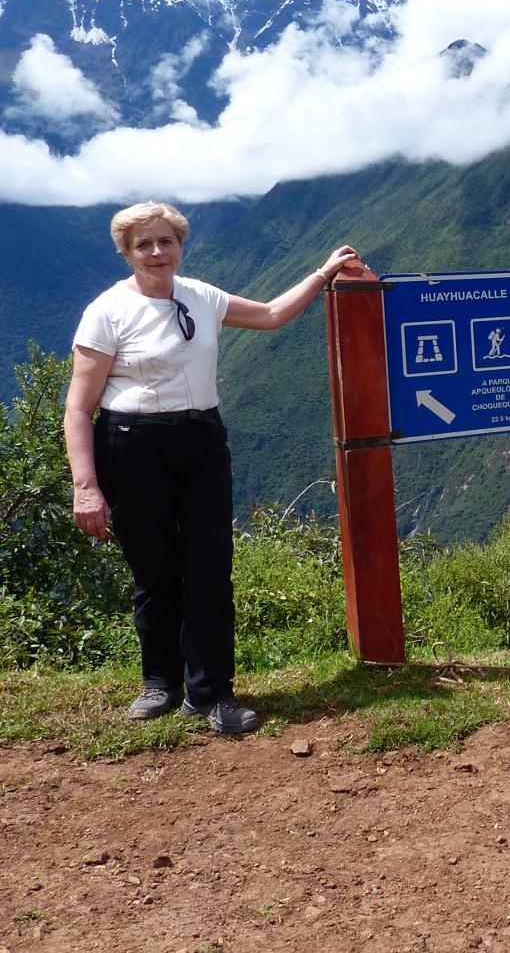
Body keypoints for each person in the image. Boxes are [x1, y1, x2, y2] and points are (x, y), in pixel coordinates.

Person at [64, 201, 360, 735]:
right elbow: (79, 407)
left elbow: (269, 315)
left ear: (180, 245)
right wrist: (86, 486)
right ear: (126, 253)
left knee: (208, 568)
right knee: (155, 571)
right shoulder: (106, 312)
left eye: (166, 241)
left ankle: (212, 693)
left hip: (201, 440)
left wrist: (322, 273)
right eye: (143, 245)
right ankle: (160, 684)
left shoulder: (202, 296)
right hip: (131, 445)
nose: (157, 252)